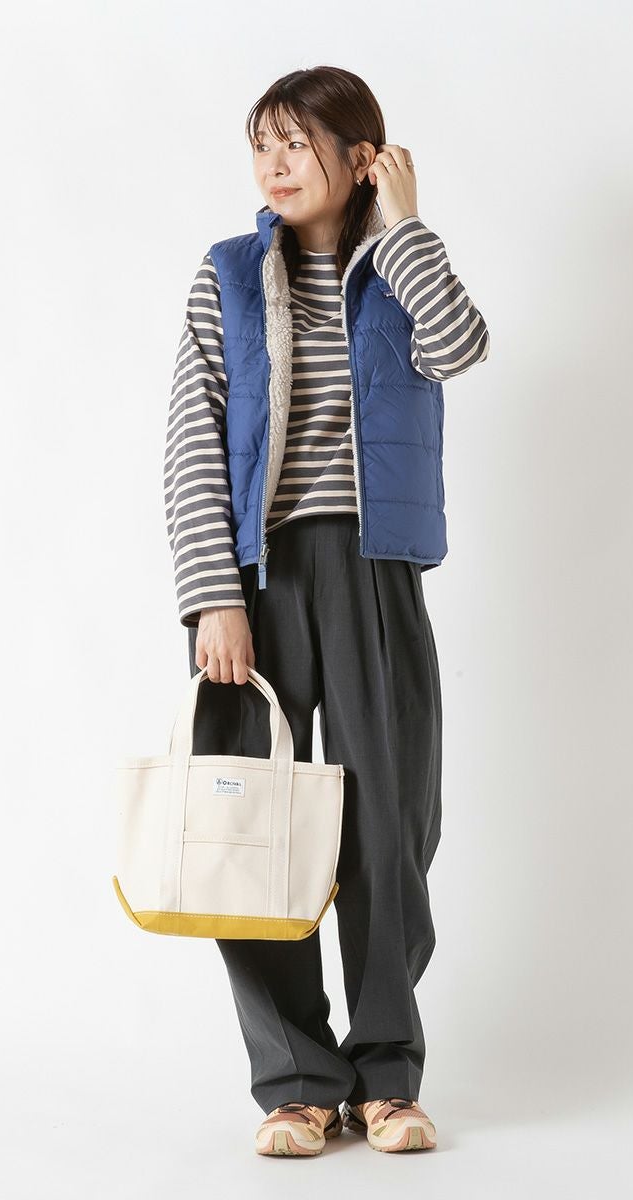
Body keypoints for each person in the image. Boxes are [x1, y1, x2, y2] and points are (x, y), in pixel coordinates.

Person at [162, 65, 490, 1156]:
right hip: (257, 581)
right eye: (261, 144)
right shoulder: (225, 275)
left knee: (388, 828)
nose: (273, 164)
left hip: (374, 569)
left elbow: (461, 347)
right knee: (247, 823)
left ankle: (386, 1077)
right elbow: (192, 441)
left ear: (361, 156)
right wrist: (214, 595)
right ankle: (298, 1082)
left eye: (296, 143)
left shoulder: (399, 268)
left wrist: (406, 225)